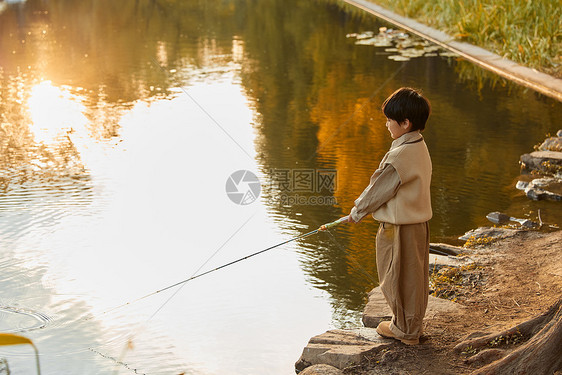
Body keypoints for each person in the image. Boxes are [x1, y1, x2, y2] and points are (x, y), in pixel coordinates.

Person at [337, 87, 432, 345]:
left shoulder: (400, 155)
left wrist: (357, 213)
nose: (386, 124)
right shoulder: (418, 146)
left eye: (390, 120)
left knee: (395, 276)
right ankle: (411, 325)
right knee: (414, 277)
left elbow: (379, 189)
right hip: (418, 224)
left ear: (405, 123)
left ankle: (404, 329)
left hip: (400, 226)